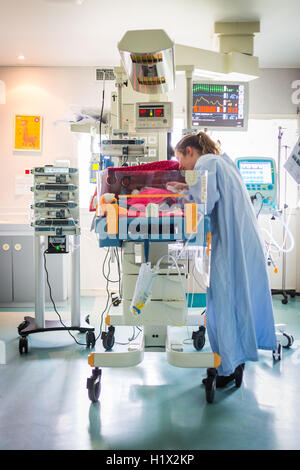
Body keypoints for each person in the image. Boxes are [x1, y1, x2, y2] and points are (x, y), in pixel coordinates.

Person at [168, 132, 277, 388]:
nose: (180, 166)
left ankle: (228, 368)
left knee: (224, 303)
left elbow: (204, 204)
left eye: (180, 159)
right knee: (235, 300)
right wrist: (187, 189)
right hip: (242, 242)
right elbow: (209, 192)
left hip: (230, 245)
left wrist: (178, 200)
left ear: (191, 151)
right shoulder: (222, 162)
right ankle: (235, 361)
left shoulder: (206, 164)